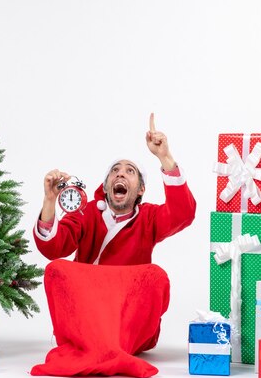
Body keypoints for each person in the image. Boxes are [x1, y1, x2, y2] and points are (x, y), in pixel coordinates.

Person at [33, 112, 196, 265]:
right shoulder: (86, 213)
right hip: (87, 292)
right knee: (56, 270)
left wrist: (164, 157)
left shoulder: (148, 219)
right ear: (105, 186)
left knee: (157, 278)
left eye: (130, 171)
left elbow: (182, 214)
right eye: (115, 170)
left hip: (129, 293)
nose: (120, 174)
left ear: (141, 189)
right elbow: (53, 247)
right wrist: (49, 199)